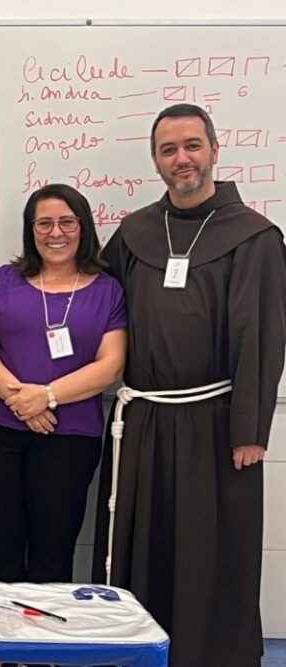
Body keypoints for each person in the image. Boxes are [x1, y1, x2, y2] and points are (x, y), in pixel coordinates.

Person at [91, 103, 286, 667]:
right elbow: (100, 306)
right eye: (169, 149)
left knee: (210, 549)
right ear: (156, 160)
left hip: (218, 423)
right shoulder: (135, 233)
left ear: (214, 151)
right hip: (145, 418)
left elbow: (262, 335)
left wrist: (250, 430)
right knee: (146, 543)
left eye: (192, 145)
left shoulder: (253, 237)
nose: (182, 158)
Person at [0, 184, 126, 584]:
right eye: (44, 223)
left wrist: (47, 397)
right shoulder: (3, 281)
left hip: (70, 440)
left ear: (83, 227)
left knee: (52, 556)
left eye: (67, 222)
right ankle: (0, 627)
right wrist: (22, 401)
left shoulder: (108, 290)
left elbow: (111, 365)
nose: (56, 232)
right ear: (31, 230)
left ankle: (42, 628)